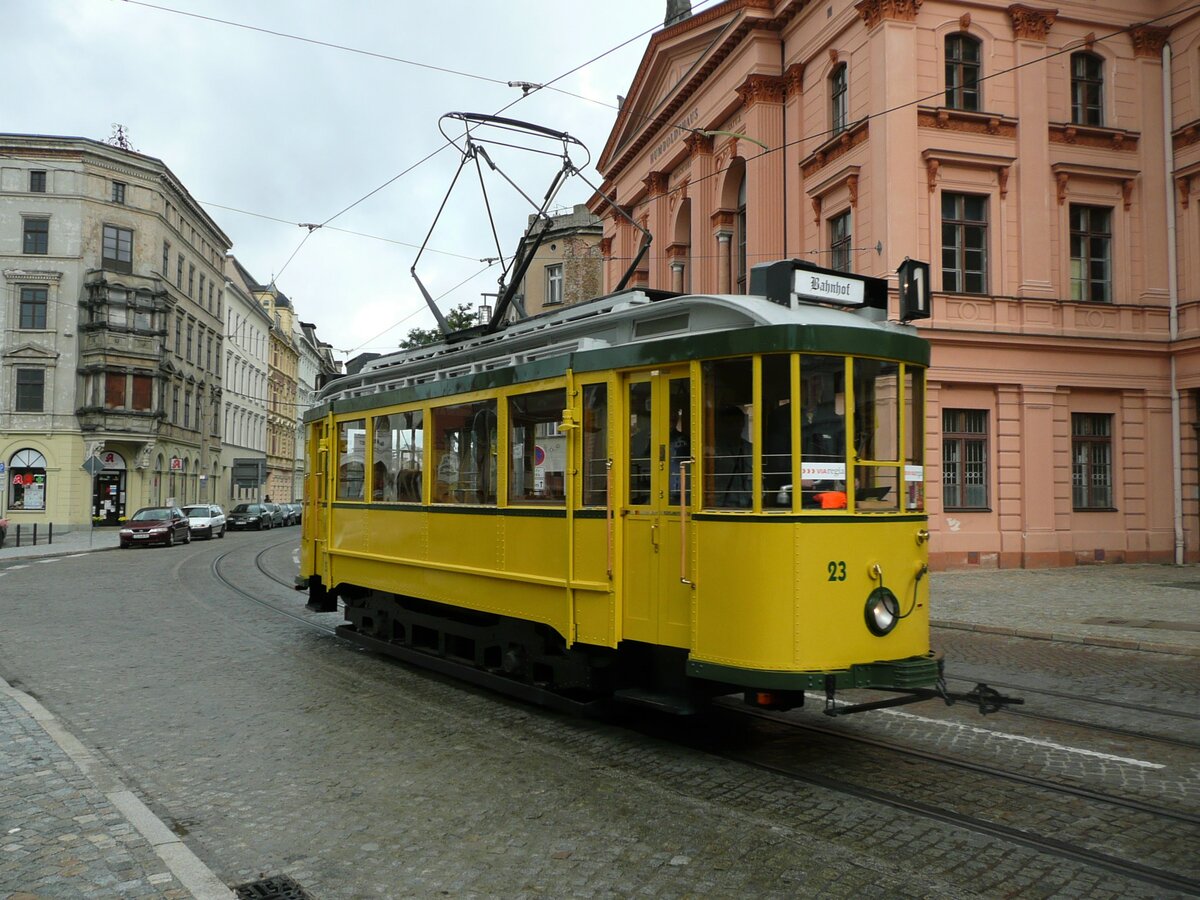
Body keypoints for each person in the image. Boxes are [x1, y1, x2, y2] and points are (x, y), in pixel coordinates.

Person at [711, 405, 752, 508]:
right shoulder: (713, 449)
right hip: (719, 504)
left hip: (746, 503)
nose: (734, 427)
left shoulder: (750, 449)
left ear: (743, 424)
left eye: (738, 422)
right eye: (730, 423)